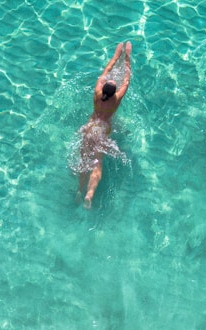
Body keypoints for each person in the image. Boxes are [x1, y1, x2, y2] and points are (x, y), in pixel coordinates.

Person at [75, 41, 132, 209]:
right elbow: (126, 80)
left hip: (90, 126)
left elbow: (105, 71)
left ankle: (79, 189)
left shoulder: (97, 93)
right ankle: (90, 194)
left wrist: (115, 56)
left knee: (85, 159)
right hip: (103, 129)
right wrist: (127, 57)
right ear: (115, 92)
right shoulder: (116, 100)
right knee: (97, 163)